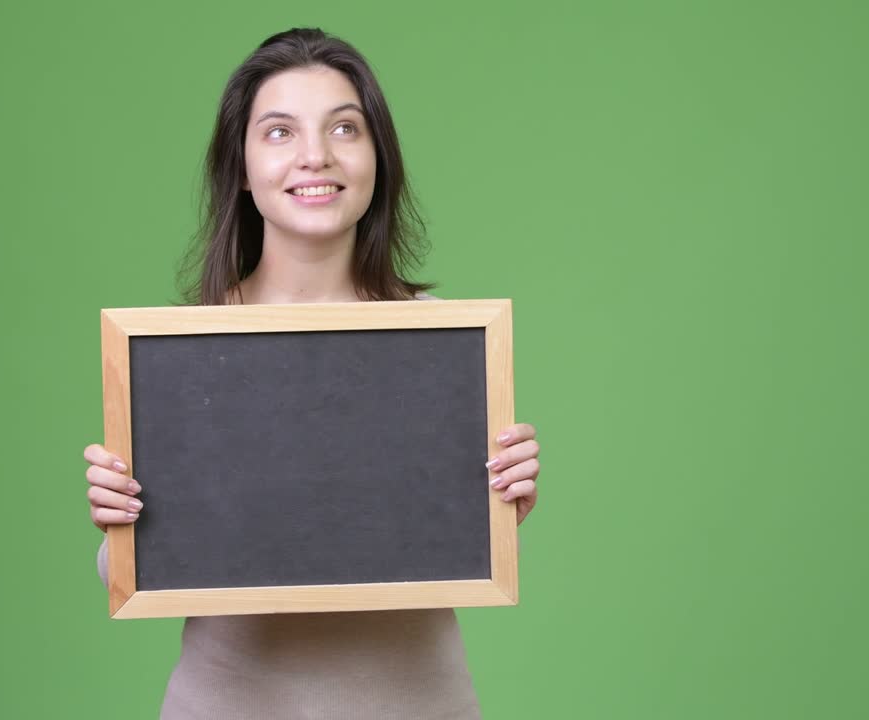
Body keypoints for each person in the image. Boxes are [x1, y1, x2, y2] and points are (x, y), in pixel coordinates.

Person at [83, 27, 541, 719]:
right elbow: (147, 567)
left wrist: (500, 505)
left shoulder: (442, 339)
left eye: (344, 128)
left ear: (376, 158)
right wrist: (119, 518)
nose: (315, 156)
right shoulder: (182, 354)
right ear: (240, 165)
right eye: (278, 132)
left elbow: (444, 540)